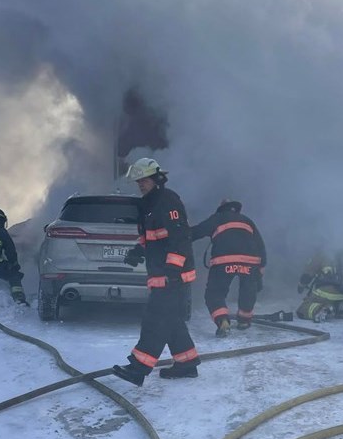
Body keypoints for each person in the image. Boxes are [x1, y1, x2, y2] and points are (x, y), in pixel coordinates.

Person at [111, 158, 200, 385]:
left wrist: (172, 268)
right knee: (172, 320)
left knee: (155, 319)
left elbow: (180, 238)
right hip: (161, 274)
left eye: (145, 180)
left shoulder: (168, 201)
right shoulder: (148, 205)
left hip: (173, 275)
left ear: (157, 179)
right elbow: (151, 239)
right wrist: (136, 251)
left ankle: (139, 368)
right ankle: (186, 363)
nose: (141, 184)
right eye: (139, 181)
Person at [190, 199, 266, 337]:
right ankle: (244, 321)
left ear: (221, 208)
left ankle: (223, 321)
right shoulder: (247, 220)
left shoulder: (217, 218)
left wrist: (177, 235)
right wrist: (261, 268)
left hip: (224, 261)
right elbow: (260, 245)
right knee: (248, 290)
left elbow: (197, 232)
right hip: (250, 262)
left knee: (215, 293)